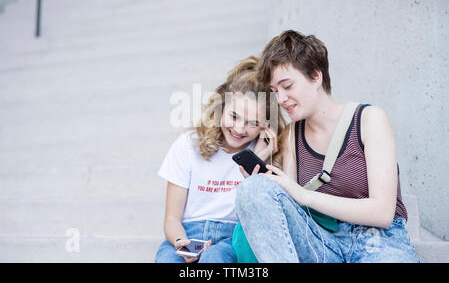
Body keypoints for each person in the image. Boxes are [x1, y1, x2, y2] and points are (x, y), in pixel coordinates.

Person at [235, 30, 420, 263]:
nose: (280, 99)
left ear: (316, 76)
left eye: (287, 85)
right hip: (321, 241)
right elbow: (291, 209)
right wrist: (261, 180)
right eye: (275, 91)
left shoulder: (369, 119)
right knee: (253, 188)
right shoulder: (292, 134)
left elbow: (383, 213)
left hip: (378, 241)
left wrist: (303, 195)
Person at [154, 56, 285, 263]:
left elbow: (256, 221)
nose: (239, 129)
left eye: (252, 123)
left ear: (265, 125)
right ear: (220, 107)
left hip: (231, 237)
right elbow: (171, 218)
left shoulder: (266, 155)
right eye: (234, 116)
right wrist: (181, 241)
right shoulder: (188, 144)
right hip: (186, 232)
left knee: (214, 259)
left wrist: (258, 161)